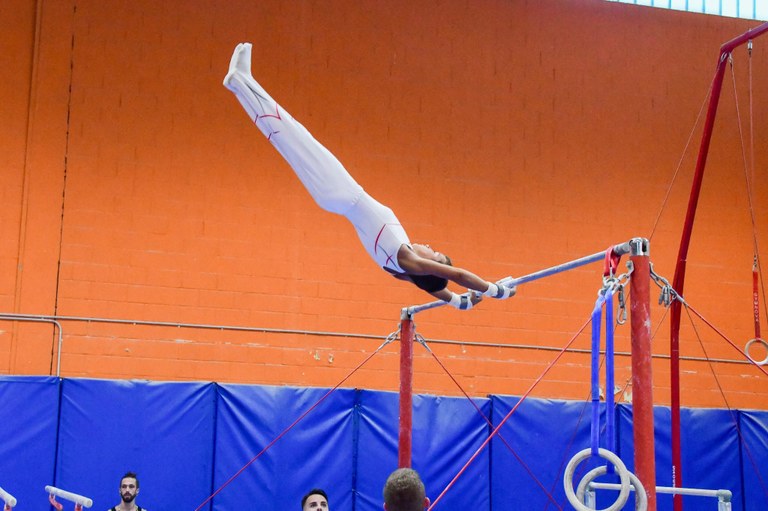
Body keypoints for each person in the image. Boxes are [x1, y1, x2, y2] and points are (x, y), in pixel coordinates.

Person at [223, 43, 516, 310]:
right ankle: (240, 83)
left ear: (429, 265)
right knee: (289, 141)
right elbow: (447, 294)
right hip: (337, 198)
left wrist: (496, 290)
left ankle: (241, 80)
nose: (430, 245)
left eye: (435, 253)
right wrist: (465, 301)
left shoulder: (409, 261)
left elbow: (459, 275)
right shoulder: (405, 273)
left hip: (343, 194)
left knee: (294, 134)